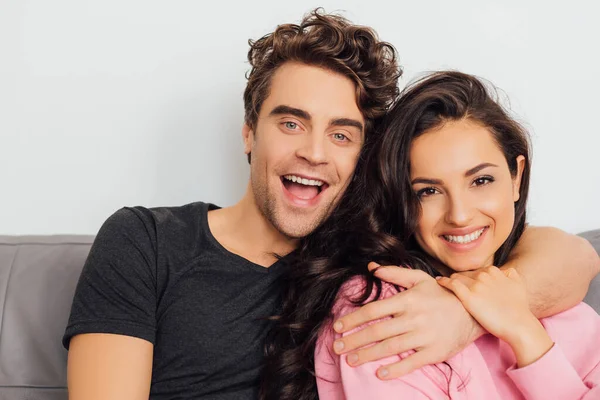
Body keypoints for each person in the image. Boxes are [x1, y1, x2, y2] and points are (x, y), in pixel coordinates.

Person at [62, 9, 599, 400]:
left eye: (342, 135)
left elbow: (576, 259)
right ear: (249, 131)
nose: (313, 152)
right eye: (291, 123)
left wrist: (465, 314)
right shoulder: (149, 240)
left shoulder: (383, 256)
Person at [307, 71, 598, 399]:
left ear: (516, 178)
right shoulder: (380, 311)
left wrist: (524, 332)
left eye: (481, 181)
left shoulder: (564, 307)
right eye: (428, 191)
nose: (459, 215)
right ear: (400, 199)